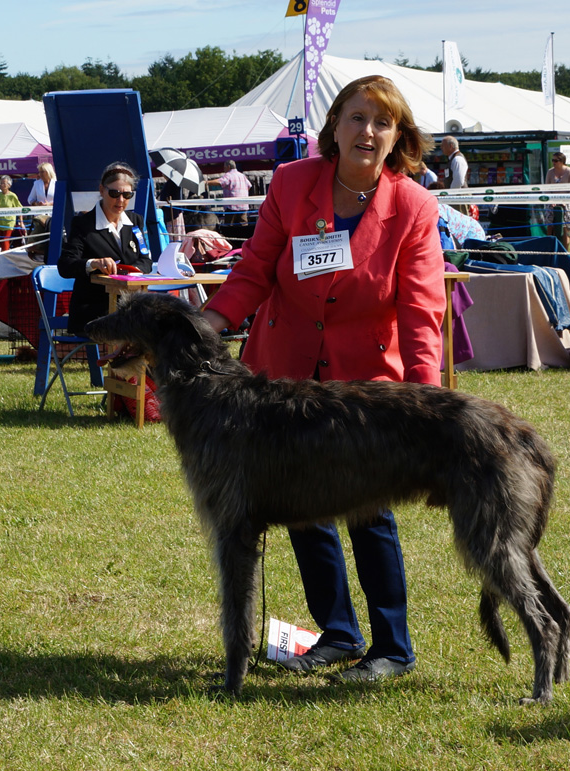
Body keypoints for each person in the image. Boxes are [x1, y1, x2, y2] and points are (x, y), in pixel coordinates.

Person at [202, 75, 446, 683]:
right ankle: (337, 632)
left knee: (370, 513)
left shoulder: (413, 205)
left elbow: (420, 308)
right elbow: (257, 266)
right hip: (283, 372)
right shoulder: (291, 182)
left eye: (382, 123)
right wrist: (212, 320)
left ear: (398, 138)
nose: (368, 131)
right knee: (301, 508)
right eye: (357, 118)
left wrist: (428, 397)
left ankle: (392, 648)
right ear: (334, 126)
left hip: (368, 386)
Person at [58, 162, 152, 334]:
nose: (121, 200)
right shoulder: (82, 224)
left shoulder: (136, 221)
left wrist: (132, 271)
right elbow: (65, 265)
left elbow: (146, 260)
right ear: (101, 190)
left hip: (131, 305)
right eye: (114, 193)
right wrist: (93, 263)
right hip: (94, 311)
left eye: (127, 194)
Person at [545, 152, 570, 249]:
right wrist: (551, 200)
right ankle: (549, 248)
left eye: (556, 160)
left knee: (565, 227)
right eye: (552, 160)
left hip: (567, 201)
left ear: (562, 161)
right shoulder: (550, 172)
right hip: (552, 201)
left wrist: (565, 201)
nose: (553, 162)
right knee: (550, 225)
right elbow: (546, 188)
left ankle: (565, 249)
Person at [206, 160, 252, 225]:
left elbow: (220, 182)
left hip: (232, 207)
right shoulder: (242, 176)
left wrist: (207, 182)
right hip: (243, 206)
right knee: (243, 227)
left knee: (229, 228)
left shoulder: (228, 175)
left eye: (224, 167)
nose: (224, 169)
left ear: (228, 166)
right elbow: (249, 186)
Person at [441, 135, 469, 216]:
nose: (441, 147)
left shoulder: (458, 159)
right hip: (455, 198)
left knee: (460, 223)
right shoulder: (453, 159)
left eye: (443, 145)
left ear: (451, 146)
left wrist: (450, 196)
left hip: (458, 199)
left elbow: (459, 181)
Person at [0, 175, 26, 252]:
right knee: (1, 242)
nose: (2, 185)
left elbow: (19, 208)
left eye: (4, 183)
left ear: (9, 185)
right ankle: (2, 258)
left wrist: (21, 222)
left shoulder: (12, 196)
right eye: (1, 183)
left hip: (8, 223)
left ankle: (5, 257)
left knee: (5, 240)